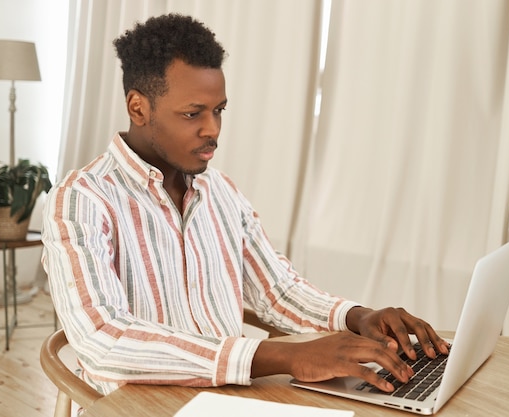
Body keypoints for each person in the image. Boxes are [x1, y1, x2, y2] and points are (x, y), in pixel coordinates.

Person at [41, 13, 449, 396]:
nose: (212, 130)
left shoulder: (220, 191)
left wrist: (357, 318)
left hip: (227, 400)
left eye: (218, 110)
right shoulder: (80, 201)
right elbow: (103, 339)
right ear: (138, 107)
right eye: (192, 113)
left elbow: (278, 291)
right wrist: (280, 356)